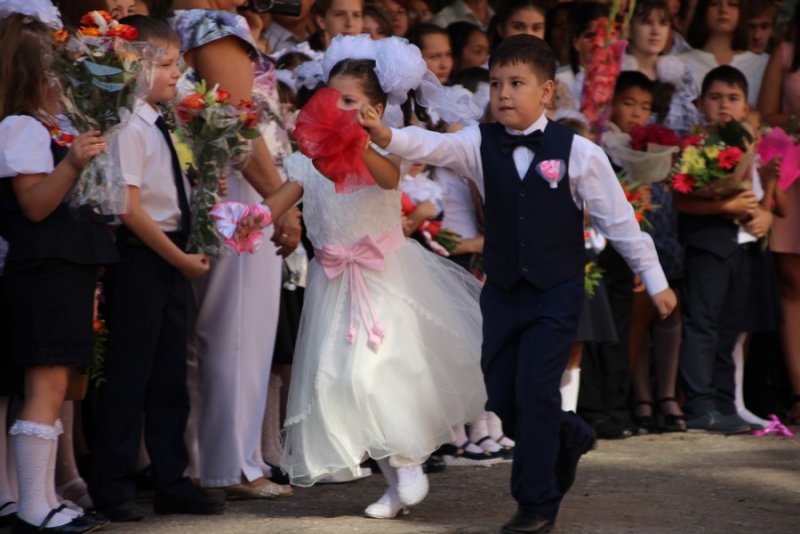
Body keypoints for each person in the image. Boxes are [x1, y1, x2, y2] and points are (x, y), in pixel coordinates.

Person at [362, 34, 676, 534]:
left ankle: (536, 504)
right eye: (495, 84)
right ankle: (568, 434)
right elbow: (432, 145)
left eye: (516, 83)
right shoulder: (477, 142)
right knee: (505, 399)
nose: (503, 93)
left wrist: (655, 279)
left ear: (546, 90)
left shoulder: (581, 152)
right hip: (503, 293)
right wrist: (385, 134)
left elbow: (619, 221)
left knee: (534, 391)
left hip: (557, 292)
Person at [241, 35, 487, 517]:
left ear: (374, 109)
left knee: (383, 375)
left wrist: (364, 139)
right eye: (332, 98)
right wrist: (255, 217)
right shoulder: (308, 159)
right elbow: (283, 196)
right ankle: (395, 484)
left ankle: (408, 465)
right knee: (346, 386)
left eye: (350, 101)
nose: (338, 108)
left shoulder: (382, 151)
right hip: (335, 287)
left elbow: (389, 180)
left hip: (387, 278)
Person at [88, 15, 226, 521]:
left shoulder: (159, 121)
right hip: (144, 255)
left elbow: (164, 186)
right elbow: (128, 208)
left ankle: (173, 480)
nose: (176, 74)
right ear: (134, 65)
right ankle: (112, 484)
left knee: (169, 373)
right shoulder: (128, 126)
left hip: (170, 252)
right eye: (166, 64)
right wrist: (180, 259)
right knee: (130, 371)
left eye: (176, 63)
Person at [170, 0, 298, 500]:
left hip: (216, 186)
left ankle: (204, 460)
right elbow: (237, 124)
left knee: (213, 331)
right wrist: (279, 202)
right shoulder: (212, 26)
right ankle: (233, 465)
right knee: (238, 329)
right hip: (240, 192)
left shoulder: (187, 25)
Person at [0, 6, 118, 533]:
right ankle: (32, 507)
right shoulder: (21, 127)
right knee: (43, 388)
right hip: (43, 270)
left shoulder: (53, 124)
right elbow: (34, 206)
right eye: (57, 66)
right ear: (34, 73)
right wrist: (72, 163)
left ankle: (43, 497)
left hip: (65, 268)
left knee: (54, 386)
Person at [674, 65, 764, 434]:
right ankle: (699, 405)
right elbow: (681, 201)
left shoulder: (749, 143)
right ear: (699, 104)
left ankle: (726, 405)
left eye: (732, 98)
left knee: (729, 329)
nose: (723, 105)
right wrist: (725, 206)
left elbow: (760, 196)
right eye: (714, 97)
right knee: (702, 324)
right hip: (707, 245)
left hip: (742, 246)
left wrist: (764, 215)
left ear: (746, 107)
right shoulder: (694, 146)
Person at [757, 4, 800, 425]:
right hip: (793, 176)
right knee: (791, 284)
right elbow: (765, 113)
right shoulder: (786, 52)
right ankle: (799, 390)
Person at [679, 0, 768, 106]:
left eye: (732, 4)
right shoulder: (680, 64)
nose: (723, 10)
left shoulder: (765, 64)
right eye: (714, 3)